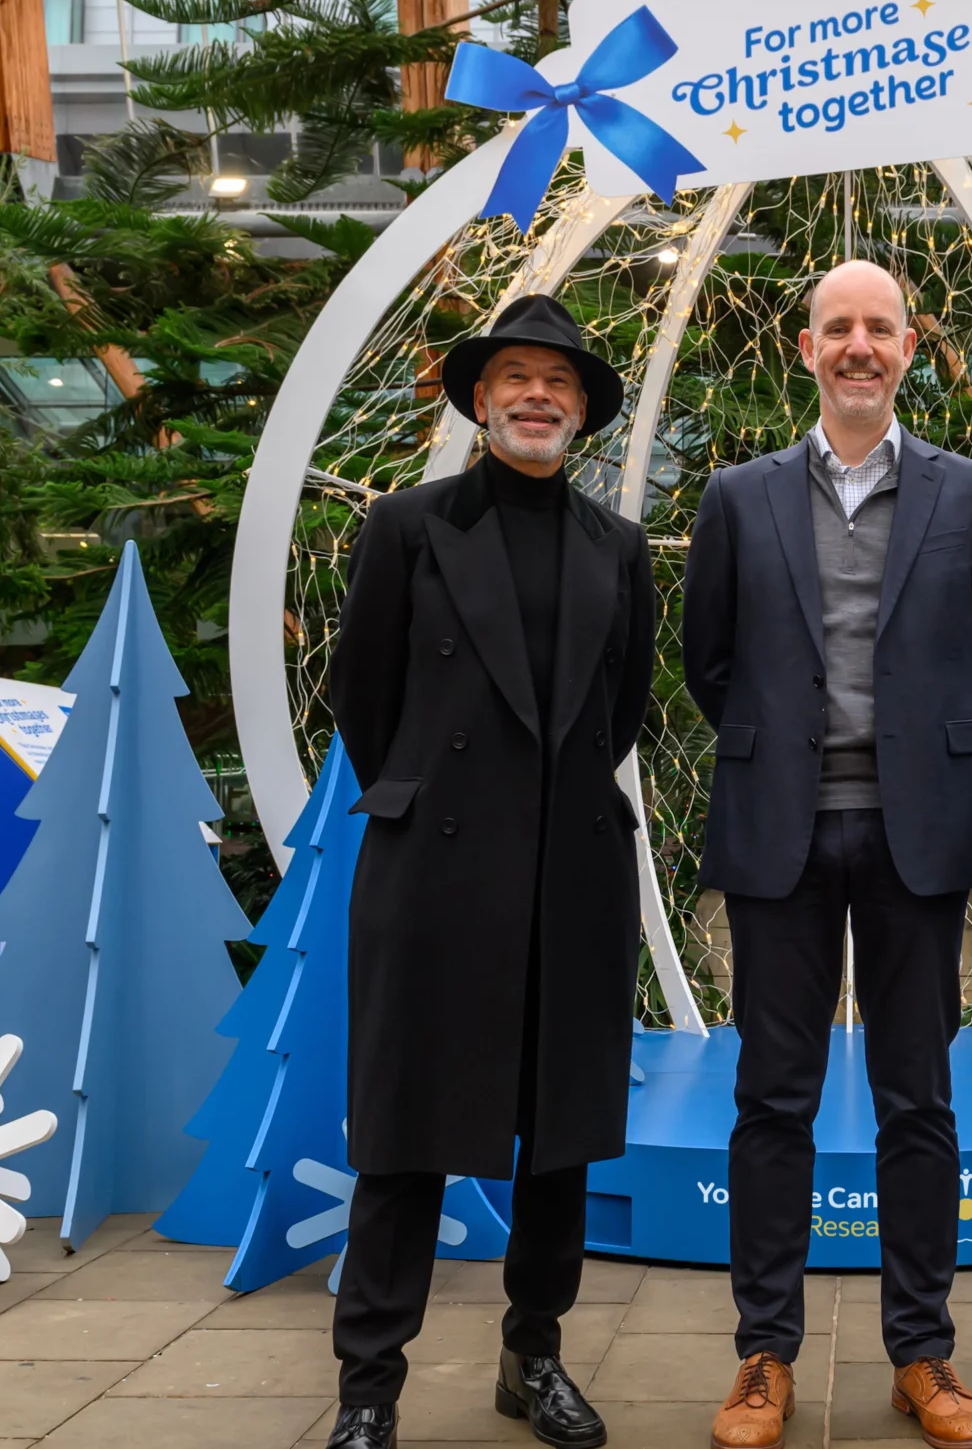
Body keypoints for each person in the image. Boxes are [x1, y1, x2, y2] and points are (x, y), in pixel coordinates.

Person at [680, 260, 972, 1449]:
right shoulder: (736, 495)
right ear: (805, 346)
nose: (859, 346)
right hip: (777, 830)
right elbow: (706, 660)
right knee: (769, 1101)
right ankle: (761, 1357)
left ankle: (921, 1355)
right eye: (838, 327)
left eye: (879, 327)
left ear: (910, 345)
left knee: (916, 1101)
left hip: (914, 833)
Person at [325, 294, 657, 1449]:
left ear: (581, 415)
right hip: (436, 873)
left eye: (558, 383)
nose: (535, 396)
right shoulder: (407, 528)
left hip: (570, 872)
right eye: (515, 377)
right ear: (478, 399)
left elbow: (619, 712)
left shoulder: (618, 547)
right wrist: (431, 792)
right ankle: (368, 1388)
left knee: (556, 1138)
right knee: (408, 1136)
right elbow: (363, 702)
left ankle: (534, 1357)